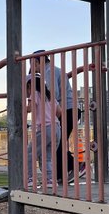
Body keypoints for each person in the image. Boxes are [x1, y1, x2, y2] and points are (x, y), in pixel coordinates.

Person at [32, 50, 84, 182]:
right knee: (57, 142)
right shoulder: (54, 70)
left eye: (33, 65)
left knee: (56, 143)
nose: (33, 68)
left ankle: (76, 166)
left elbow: (52, 95)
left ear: (38, 62)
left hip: (66, 110)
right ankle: (61, 174)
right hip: (69, 109)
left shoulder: (48, 72)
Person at [25, 73, 61, 188]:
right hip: (56, 129)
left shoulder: (35, 94)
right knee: (48, 157)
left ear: (30, 85)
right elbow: (59, 112)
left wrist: (19, 108)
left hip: (44, 128)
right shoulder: (50, 96)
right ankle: (50, 180)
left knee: (30, 153)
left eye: (27, 88)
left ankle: (29, 178)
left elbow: (29, 109)